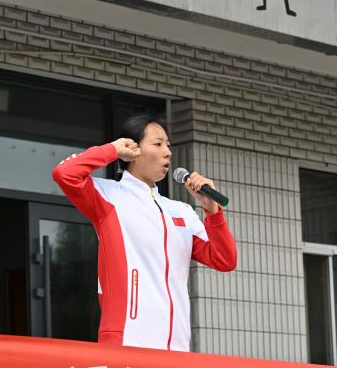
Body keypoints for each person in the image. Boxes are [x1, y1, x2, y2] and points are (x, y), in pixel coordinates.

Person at [52, 113, 237, 351]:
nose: (167, 152)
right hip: (128, 341)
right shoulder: (109, 196)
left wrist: (213, 212)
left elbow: (224, 260)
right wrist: (113, 149)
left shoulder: (181, 211)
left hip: (177, 348)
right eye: (158, 144)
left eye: (168, 145)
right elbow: (64, 173)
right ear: (132, 149)